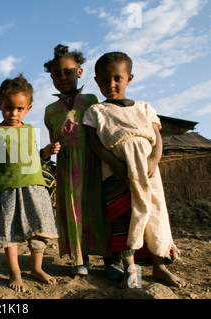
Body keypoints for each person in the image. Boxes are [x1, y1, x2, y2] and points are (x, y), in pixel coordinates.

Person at [83, 51, 185, 288]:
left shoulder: (144, 107)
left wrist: (154, 159)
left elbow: (157, 137)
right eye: (105, 80)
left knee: (154, 213)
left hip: (148, 170)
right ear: (97, 81)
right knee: (123, 217)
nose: (111, 85)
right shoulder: (96, 111)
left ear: (129, 78)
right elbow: (94, 142)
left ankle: (159, 267)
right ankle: (131, 269)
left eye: (117, 78)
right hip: (116, 170)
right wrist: (113, 162)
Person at [41, 44, 120, 278]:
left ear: (80, 72)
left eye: (68, 72)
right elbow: (53, 139)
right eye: (56, 74)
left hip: (94, 162)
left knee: (101, 209)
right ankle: (80, 258)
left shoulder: (92, 100)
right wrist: (51, 149)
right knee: (73, 211)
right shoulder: (50, 110)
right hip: (68, 168)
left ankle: (111, 260)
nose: (62, 77)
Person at [0, 74, 59, 292]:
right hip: (6, 188)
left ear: (29, 107)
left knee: (39, 230)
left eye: (20, 109)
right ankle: (14, 271)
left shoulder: (29, 130)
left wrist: (45, 153)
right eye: (9, 107)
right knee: (9, 231)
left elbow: (32, 158)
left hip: (35, 187)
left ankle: (36, 268)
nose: (14, 114)